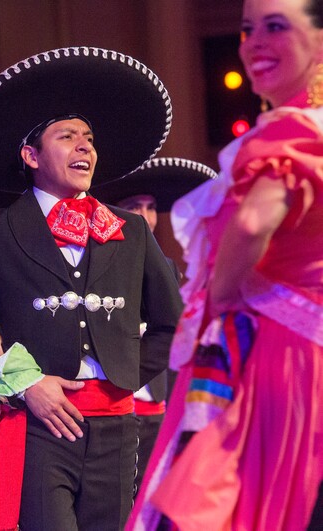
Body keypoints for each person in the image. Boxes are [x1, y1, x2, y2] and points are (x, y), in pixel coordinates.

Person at [0, 47, 183, 530]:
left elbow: (174, 324)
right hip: (35, 423)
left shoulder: (130, 229)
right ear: (30, 155)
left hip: (117, 424)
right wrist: (25, 382)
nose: (84, 147)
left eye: (89, 138)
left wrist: (125, 374)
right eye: (66, 137)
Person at [128, 0, 323, 529]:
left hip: (281, 354)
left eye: (276, 26)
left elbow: (254, 223)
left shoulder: (293, 132)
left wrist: (223, 294)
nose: (254, 41)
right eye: (246, 29)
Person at [91, 157, 217, 492]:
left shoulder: (167, 268)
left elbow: (173, 334)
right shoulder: (91, 266)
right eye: (134, 206)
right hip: (107, 404)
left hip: (155, 407)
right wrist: (116, 385)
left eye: (150, 207)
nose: (144, 216)